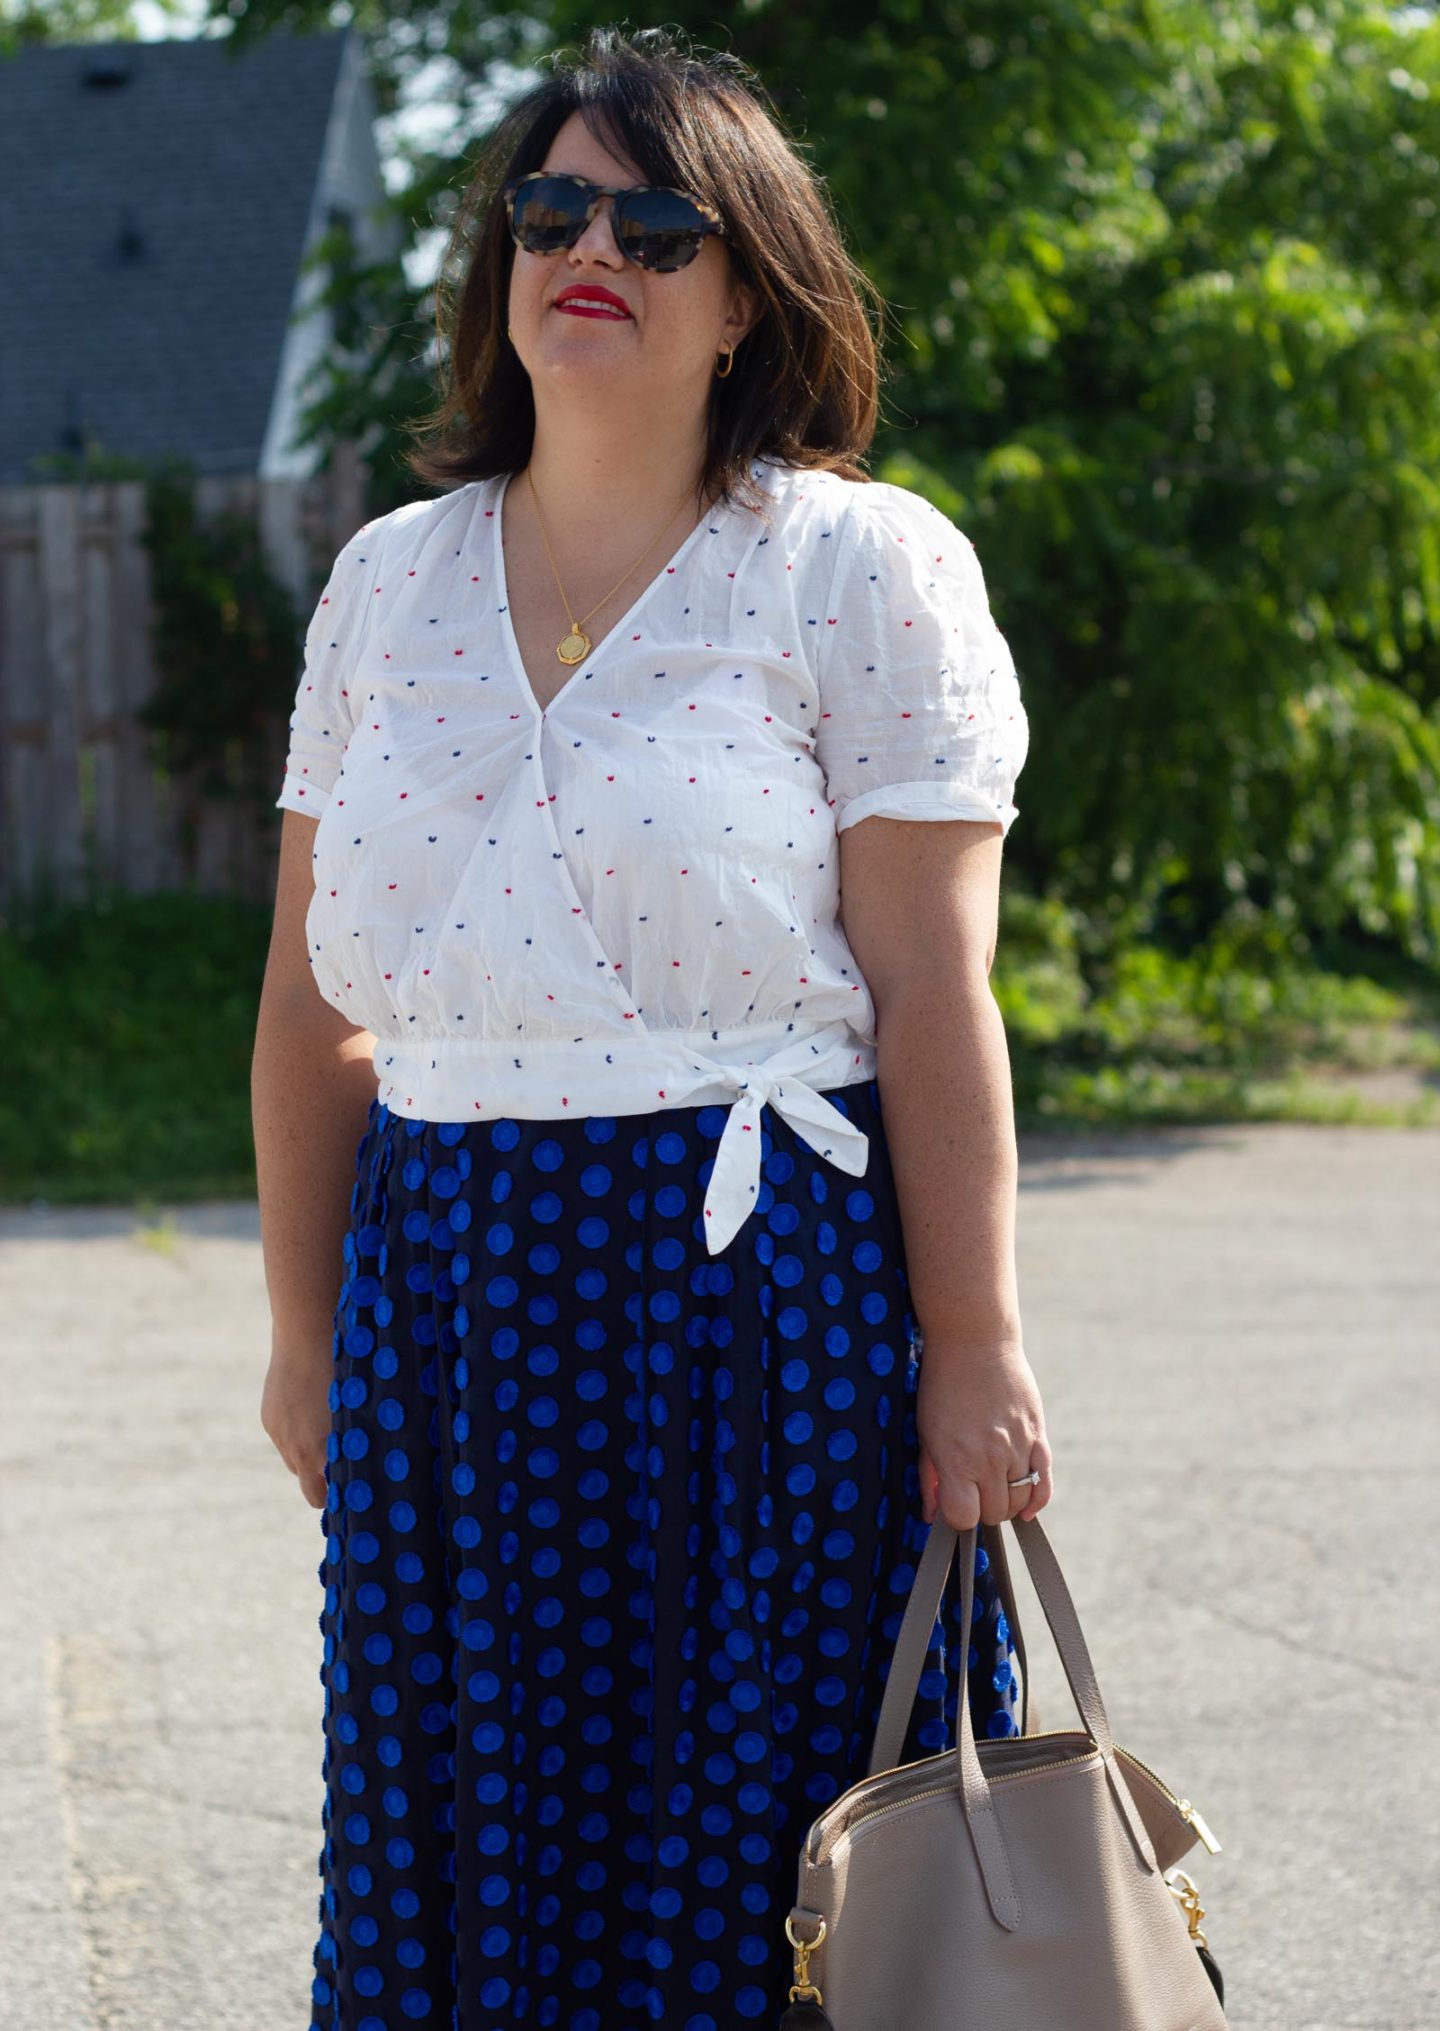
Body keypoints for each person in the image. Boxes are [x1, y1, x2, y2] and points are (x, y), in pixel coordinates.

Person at [252, 24, 1050, 2030]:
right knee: (465, 1846)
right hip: (443, 1309)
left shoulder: (858, 568)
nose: (585, 245)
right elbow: (307, 1007)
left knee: (757, 1884)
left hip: (763, 1313)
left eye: (653, 218)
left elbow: (934, 992)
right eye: (548, 207)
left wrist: (975, 1346)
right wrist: (298, 1331)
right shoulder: (382, 583)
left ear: (742, 296)